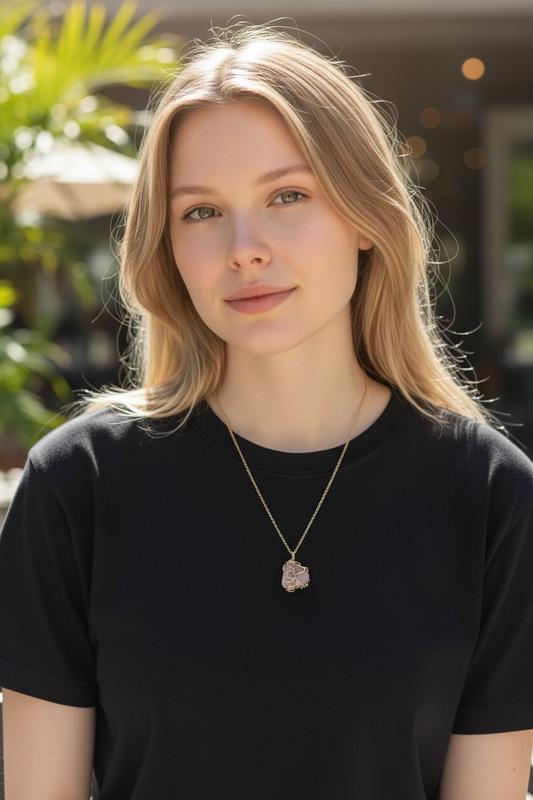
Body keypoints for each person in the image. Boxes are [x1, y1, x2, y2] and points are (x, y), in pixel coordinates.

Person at [1, 23, 533, 800]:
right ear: (168, 249)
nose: (243, 248)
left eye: (287, 195)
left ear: (362, 215)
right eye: (201, 212)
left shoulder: (490, 498)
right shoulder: (77, 486)